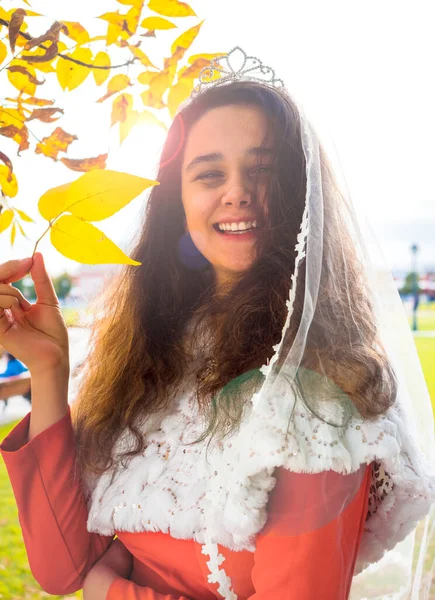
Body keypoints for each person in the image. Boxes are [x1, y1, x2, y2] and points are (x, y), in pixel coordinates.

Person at [0, 48, 435, 600]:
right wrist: (48, 371)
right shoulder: (148, 355)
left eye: (263, 170)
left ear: (300, 193)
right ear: (176, 202)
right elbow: (62, 567)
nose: (237, 192)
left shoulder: (323, 389)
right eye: (209, 173)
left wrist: (110, 590)